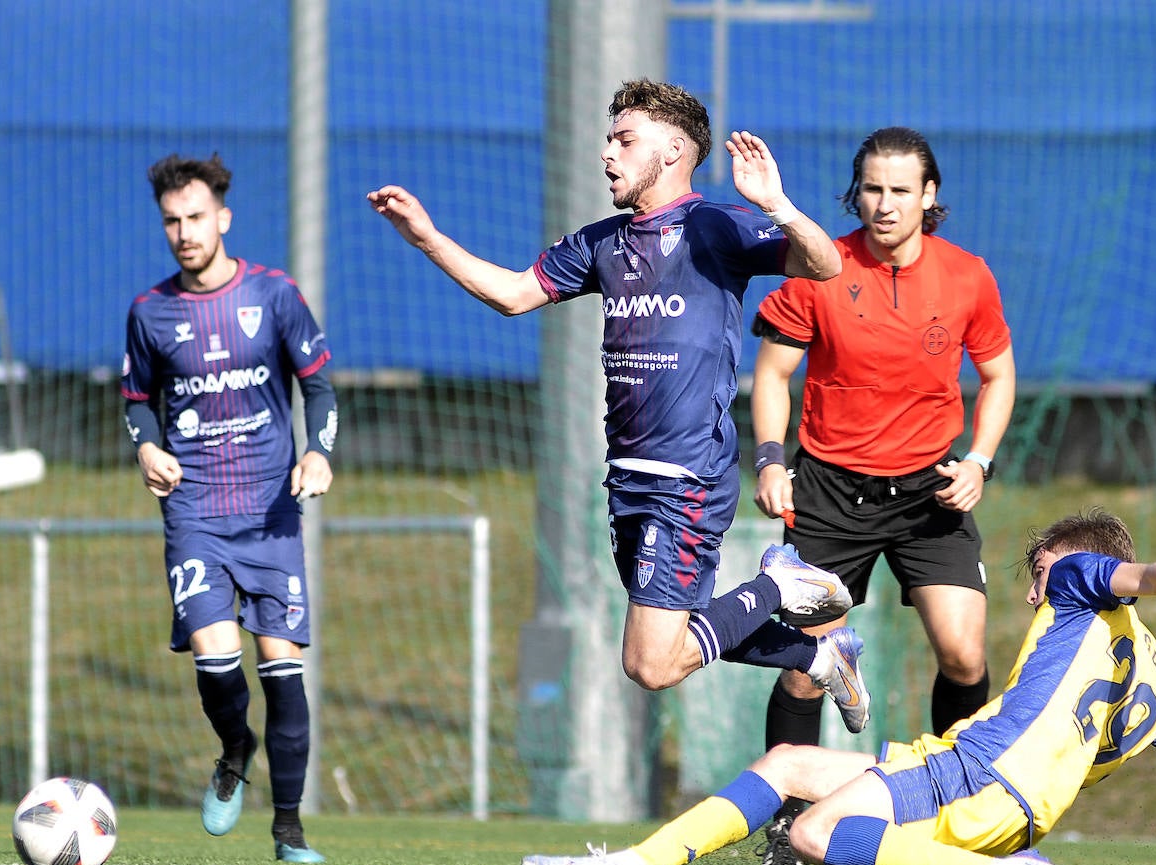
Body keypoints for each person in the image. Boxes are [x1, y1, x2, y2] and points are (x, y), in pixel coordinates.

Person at [368, 79, 870, 725]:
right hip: (627, 478)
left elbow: (824, 264)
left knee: (650, 663)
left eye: (624, 140)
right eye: (608, 139)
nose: (608, 153)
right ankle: (824, 658)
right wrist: (427, 238)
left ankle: (781, 583)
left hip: (687, 475)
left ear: (672, 151)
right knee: (678, 635)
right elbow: (516, 295)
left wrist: (778, 205)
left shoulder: (713, 225)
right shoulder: (602, 242)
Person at [522, 508, 1156, 865]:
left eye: (1038, 575)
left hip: (980, 773)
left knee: (815, 833)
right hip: (1002, 796)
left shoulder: (1081, 581)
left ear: (1074, 568)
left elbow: (1146, 575)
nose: (1034, 593)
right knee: (786, 767)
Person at [748, 126, 1016, 865]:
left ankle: (957, 816)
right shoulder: (816, 268)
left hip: (930, 489)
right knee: (808, 668)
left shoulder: (968, 276)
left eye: (901, 190)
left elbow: (998, 377)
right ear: (854, 193)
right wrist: (771, 463)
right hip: (830, 492)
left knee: (964, 654)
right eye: (872, 188)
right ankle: (787, 829)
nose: (885, 203)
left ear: (929, 197)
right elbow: (771, 377)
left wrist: (980, 464)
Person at [121, 153, 338, 863]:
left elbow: (321, 389)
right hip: (195, 514)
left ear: (223, 218)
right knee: (217, 664)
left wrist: (319, 452)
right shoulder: (150, 312)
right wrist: (147, 447)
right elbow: (135, 403)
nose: (183, 232)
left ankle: (288, 829)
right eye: (171, 222)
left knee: (281, 667)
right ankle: (234, 747)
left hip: (271, 514)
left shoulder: (274, 295)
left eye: (194, 218)